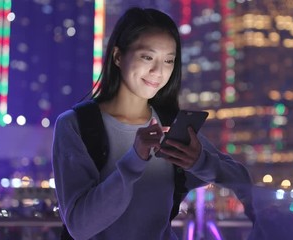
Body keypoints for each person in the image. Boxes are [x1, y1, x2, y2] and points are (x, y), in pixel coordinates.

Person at [52, 7, 254, 240]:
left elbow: (240, 179)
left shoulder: (169, 125)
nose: (158, 71)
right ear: (118, 56)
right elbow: (80, 226)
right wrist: (134, 161)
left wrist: (199, 161)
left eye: (169, 60)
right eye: (147, 57)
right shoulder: (76, 125)